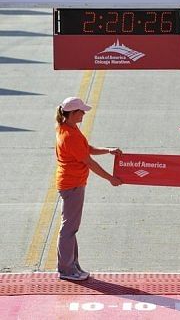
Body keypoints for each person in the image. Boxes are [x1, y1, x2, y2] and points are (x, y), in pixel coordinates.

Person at [55, 96, 123, 281]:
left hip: (73, 184)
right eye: (81, 111)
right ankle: (66, 270)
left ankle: (72, 265)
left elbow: (87, 149)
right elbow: (89, 162)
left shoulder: (68, 128)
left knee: (71, 227)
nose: (84, 113)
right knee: (69, 229)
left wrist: (107, 150)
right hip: (73, 185)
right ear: (73, 113)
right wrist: (111, 178)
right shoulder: (69, 136)